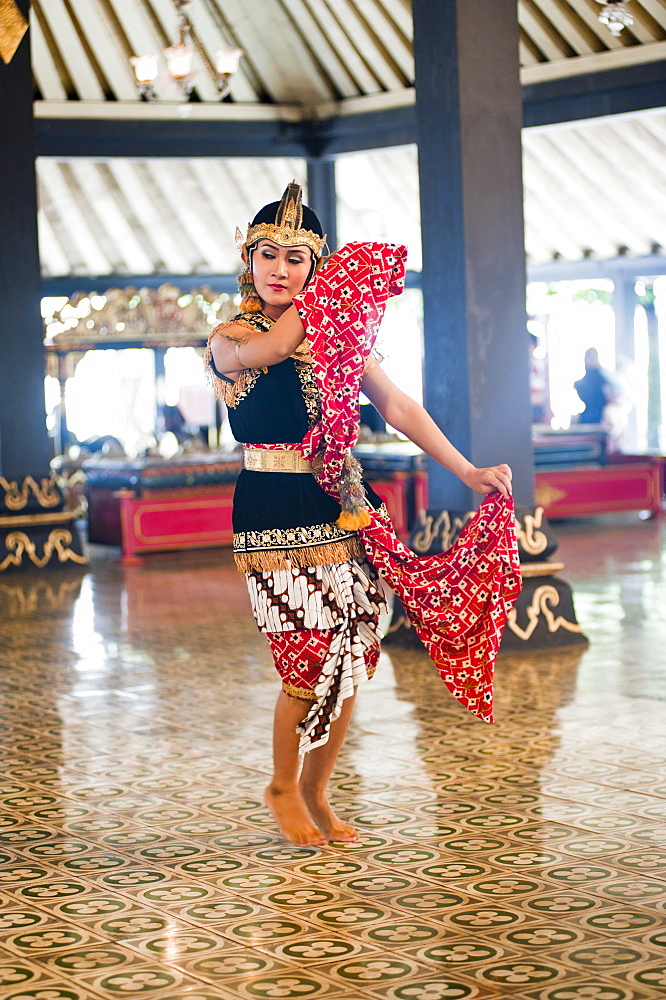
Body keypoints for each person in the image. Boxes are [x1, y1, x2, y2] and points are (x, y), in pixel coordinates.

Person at [205, 182, 519, 848]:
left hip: (341, 505)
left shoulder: (337, 336)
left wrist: (465, 469)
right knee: (305, 657)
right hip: (270, 508)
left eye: (297, 258)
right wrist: (338, 297)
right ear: (249, 262)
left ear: (311, 267)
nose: (282, 269)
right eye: (269, 255)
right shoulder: (231, 336)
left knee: (349, 654)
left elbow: (400, 407)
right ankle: (282, 786)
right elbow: (265, 355)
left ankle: (318, 788)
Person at [574, 348, 613, 424]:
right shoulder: (580, 384)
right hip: (587, 418)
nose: (590, 361)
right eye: (589, 358)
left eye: (593, 357)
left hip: (602, 419)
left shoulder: (604, 379)